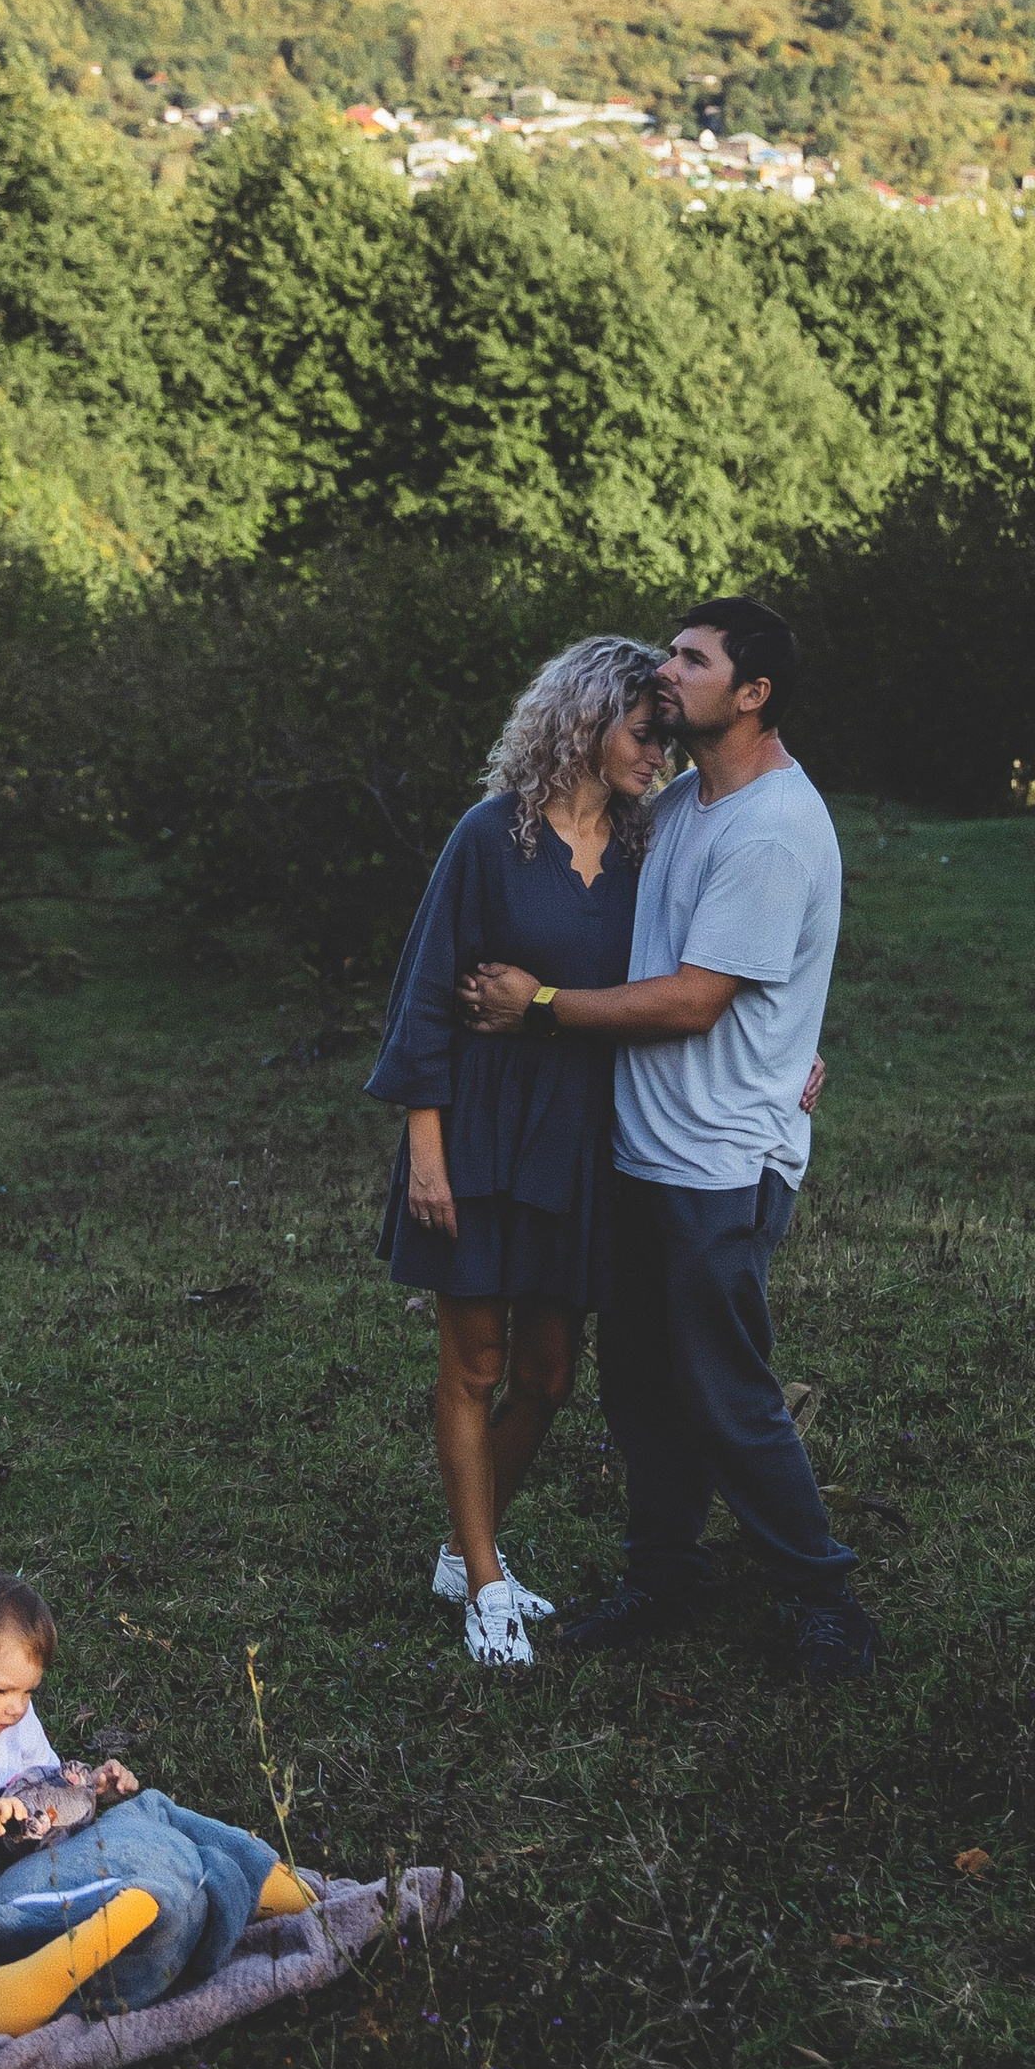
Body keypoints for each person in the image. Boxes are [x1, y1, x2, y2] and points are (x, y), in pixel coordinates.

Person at [464, 595, 876, 1685]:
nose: (666, 669)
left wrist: (539, 1004)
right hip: (644, 1150)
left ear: (753, 693)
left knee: (726, 1391)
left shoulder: (774, 829)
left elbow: (694, 1000)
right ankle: (662, 1576)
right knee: (641, 1385)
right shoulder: (687, 799)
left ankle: (824, 1597)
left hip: (720, 1162)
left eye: (692, 660)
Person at [365, 635, 665, 1670]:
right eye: (644, 731)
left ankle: (463, 1543)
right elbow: (424, 993)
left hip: (582, 1133)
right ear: (585, 723)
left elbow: (689, 981)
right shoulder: (491, 837)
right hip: (481, 1125)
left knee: (546, 1372)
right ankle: (484, 1583)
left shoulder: (644, 847)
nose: (658, 754)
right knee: (477, 1361)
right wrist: (427, 1153)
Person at [0, 1563, 316, 2034]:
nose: (18, 1708)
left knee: (134, 1821)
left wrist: (89, 1786)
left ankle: (252, 1875)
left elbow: (43, 1780)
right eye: (3, 1692)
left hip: (2, 1855)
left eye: (29, 1693)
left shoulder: (16, 1719)